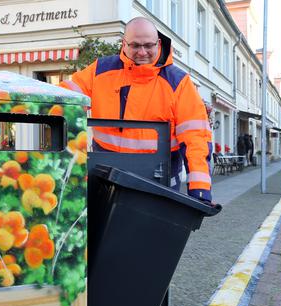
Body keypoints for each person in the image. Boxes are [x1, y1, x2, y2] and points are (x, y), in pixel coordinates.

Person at [61, 17, 213, 201]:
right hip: (107, 170)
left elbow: (195, 137)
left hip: (160, 174)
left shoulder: (178, 82)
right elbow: (67, 97)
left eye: (148, 45)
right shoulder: (100, 71)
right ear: (124, 44)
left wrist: (200, 189)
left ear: (158, 43)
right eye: (135, 45)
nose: (142, 52)